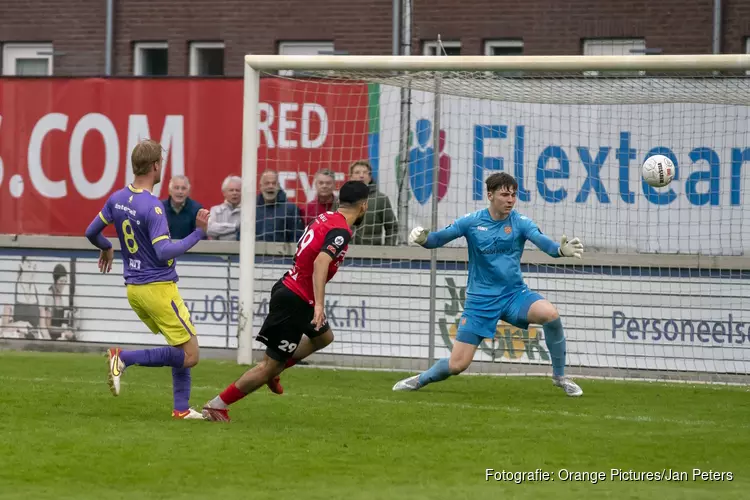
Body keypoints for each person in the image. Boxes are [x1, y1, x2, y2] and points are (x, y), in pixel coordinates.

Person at [392, 172, 585, 397]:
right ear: (490, 195)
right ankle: (420, 379)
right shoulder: (472, 222)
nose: (510, 200)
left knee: (550, 313)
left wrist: (560, 251)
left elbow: (545, 244)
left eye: (513, 195)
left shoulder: (521, 223)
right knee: (457, 365)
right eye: (504, 194)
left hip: (514, 296)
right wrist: (423, 239)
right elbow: (437, 239)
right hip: (480, 301)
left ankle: (560, 377)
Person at [201, 180, 371, 422]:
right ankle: (216, 406)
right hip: (296, 300)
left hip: (292, 289)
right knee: (268, 366)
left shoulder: (325, 218)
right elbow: (320, 262)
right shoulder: (341, 231)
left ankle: (276, 369)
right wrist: (319, 305)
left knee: (323, 337)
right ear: (363, 206)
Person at [84, 139, 210, 419]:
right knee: (191, 355)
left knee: (179, 345)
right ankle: (123, 358)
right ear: (155, 166)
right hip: (158, 289)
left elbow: (91, 231)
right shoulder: (153, 207)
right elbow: (163, 250)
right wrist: (198, 234)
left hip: (134, 290)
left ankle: (181, 409)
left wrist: (106, 246)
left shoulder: (117, 198)